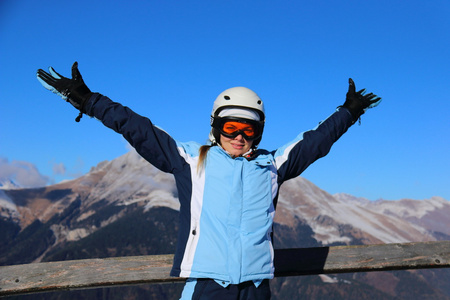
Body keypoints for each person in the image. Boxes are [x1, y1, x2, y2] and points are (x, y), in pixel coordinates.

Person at [37, 62, 381, 300]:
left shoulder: (272, 165)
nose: (240, 136)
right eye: (231, 127)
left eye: (250, 129)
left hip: (257, 288)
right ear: (216, 127)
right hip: (207, 287)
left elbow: (315, 142)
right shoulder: (190, 160)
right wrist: (86, 99)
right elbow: (137, 127)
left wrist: (348, 112)